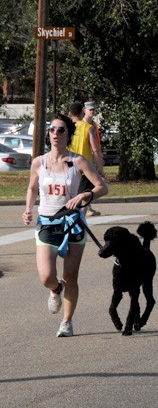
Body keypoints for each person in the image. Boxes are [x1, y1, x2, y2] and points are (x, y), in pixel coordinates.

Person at [22, 114, 108, 337]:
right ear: (48, 133)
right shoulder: (38, 162)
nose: (55, 134)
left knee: (71, 276)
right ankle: (55, 289)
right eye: (52, 129)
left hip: (73, 224)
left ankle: (66, 322)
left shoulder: (77, 161)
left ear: (68, 134)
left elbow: (102, 187)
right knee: (46, 277)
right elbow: (32, 188)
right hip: (47, 224)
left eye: (61, 130)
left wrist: (85, 195)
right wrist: (28, 209)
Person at [68, 101, 104, 217]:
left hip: (68, 165)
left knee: (72, 194)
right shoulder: (88, 128)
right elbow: (95, 150)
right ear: (82, 112)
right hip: (84, 167)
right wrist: (100, 168)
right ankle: (80, 220)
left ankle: (76, 217)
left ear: (70, 113)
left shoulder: (67, 128)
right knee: (85, 195)